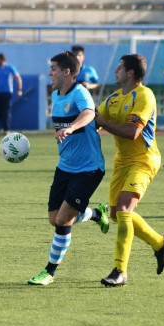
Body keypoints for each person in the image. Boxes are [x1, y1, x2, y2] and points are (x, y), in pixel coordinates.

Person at [28, 51, 109, 286]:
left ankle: (49, 272)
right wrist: (62, 131)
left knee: (63, 220)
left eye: (53, 68)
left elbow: (89, 114)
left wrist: (71, 128)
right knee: (55, 219)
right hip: (65, 167)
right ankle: (96, 213)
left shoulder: (81, 92)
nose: (49, 72)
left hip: (89, 168)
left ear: (66, 72)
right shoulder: (56, 94)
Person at [95, 54, 164, 287]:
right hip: (122, 161)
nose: (115, 70)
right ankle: (160, 244)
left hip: (144, 159)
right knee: (115, 215)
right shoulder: (114, 99)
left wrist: (102, 123)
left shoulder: (144, 96)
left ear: (130, 73)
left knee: (125, 209)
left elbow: (132, 132)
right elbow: (95, 119)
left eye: (119, 67)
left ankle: (120, 271)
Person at [0, 53, 22, 134]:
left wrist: (19, 89)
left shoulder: (10, 68)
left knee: (6, 110)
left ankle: (6, 129)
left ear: (2, 59)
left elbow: (18, 77)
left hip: (7, 92)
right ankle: (3, 126)